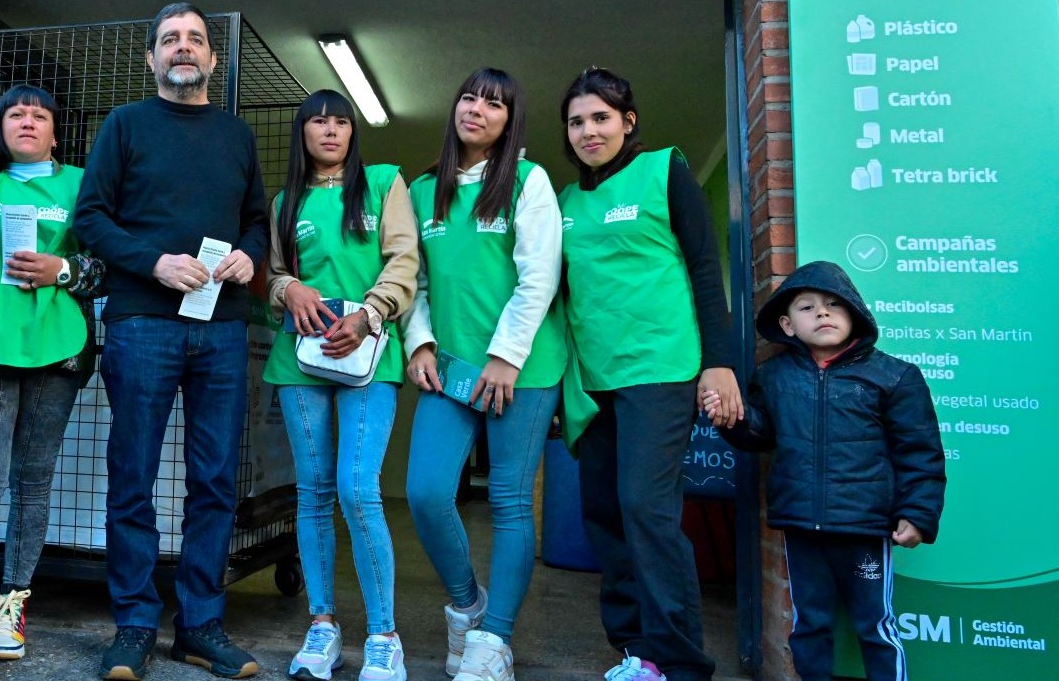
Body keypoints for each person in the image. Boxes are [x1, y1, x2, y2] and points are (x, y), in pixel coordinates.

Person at [72, 2, 268, 681]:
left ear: (213, 59)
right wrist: (154, 262)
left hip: (221, 326)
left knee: (215, 482)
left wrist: (248, 254)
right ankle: (132, 627)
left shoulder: (238, 136)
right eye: (169, 40)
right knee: (133, 477)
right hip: (141, 321)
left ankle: (201, 626)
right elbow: (89, 218)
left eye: (195, 40)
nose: (183, 49)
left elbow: (257, 222)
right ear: (152, 59)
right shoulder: (124, 126)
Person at [556, 67, 741, 681]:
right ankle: (638, 652)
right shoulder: (564, 203)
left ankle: (681, 660)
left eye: (601, 118)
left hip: (661, 369)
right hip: (591, 377)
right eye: (577, 121)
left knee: (645, 507)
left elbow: (706, 274)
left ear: (628, 122)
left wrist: (720, 363)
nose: (589, 131)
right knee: (604, 512)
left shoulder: (665, 171)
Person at [402, 68, 567, 681]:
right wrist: (417, 344)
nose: (477, 110)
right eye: (468, 98)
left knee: (508, 501)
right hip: (449, 368)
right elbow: (412, 283)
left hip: (523, 367)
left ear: (510, 119)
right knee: (425, 491)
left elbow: (539, 276)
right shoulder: (423, 190)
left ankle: (494, 641)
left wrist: (505, 356)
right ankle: (470, 606)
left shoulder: (528, 180)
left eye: (493, 105)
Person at [706, 261, 945, 681]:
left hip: (865, 527)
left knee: (876, 626)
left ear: (855, 313)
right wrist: (731, 419)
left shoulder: (895, 376)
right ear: (788, 324)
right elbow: (759, 434)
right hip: (802, 525)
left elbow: (920, 452)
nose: (822, 313)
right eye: (808, 307)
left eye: (834, 304)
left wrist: (918, 512)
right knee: (809, 625)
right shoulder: (774, 375)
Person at [0, 85, 106, 680]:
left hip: (57, 350)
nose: (29, 121)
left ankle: (12, 606)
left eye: (40, 114)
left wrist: (62, 269)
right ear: (0, 129)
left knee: (34, 480)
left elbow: (109, 261)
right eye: (16, 113)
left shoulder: (82, 184)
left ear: (56, 132)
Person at [262, 90, 419, 681]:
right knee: (314, 491)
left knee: (358, 489)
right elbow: (273, 274)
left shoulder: (383, 183)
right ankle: (322, 626)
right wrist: (289, 291)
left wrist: (370, 314)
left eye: (340, 122)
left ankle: (385, 636)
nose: (329, 131)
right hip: (299, 360)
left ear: (353, 133)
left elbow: (404, 259)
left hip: (370, 354)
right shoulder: (286, 200)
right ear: (302, 133)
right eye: (317, 122)